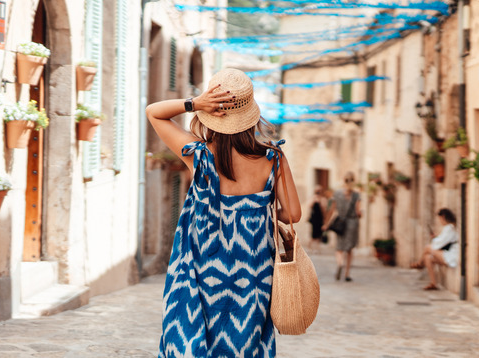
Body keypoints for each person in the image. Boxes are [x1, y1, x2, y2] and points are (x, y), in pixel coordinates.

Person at [147, 68, 301, 358]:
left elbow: (154, 112)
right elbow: (293, 212)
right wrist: (256, 207)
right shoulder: (273, 158)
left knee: (189, 339)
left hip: (199, 270)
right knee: (244, 343)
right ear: (251, 113)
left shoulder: (199, 155)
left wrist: (195, 103)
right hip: (253, 274)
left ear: (212, 112)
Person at [324, 172, 361, 282]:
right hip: (352, 222)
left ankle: (340, 263)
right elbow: (358, 211)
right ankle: (347, 274)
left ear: (344, 180)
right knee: (349, 249)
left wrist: (326, 224)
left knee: (339, 248)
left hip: (340, 222)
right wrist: (360, 213)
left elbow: (332, 209)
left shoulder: (337, 193)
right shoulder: (356, 195)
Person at [413, 208, 459, 291]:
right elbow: (441, 241)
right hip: (446, 254)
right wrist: (436, 237)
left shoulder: (450, 228)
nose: (440, 221)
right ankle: (433, 283)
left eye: (440, 219)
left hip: (451, 256)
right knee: (427, 257)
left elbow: (438, 244)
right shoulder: (448, 228)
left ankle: (420, 263)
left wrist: (435, 240)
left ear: (443, 217)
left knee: (427, 248)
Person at [307, 186, 327, 252]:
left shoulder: (323, 199)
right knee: (313, 234)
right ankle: (310, 247)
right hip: (314, 219)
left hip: (320, 218)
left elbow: (324, 209)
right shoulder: (313, 198)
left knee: (319, 234)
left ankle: (317, 248)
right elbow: (309, 206)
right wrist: (314, 200)